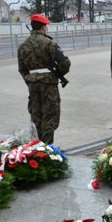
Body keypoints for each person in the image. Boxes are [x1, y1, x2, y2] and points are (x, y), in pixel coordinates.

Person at [17, 14, 71, 144]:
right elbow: (65, 63)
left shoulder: (23, 46)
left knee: (36, 116)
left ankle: (35, 148)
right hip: (48, 85)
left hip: (33, 85)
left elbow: (22, 69)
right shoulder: (49, 43)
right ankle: (47, 149)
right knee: (50, 116)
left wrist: (31, 79)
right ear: (43, 28)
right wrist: (56, 75)